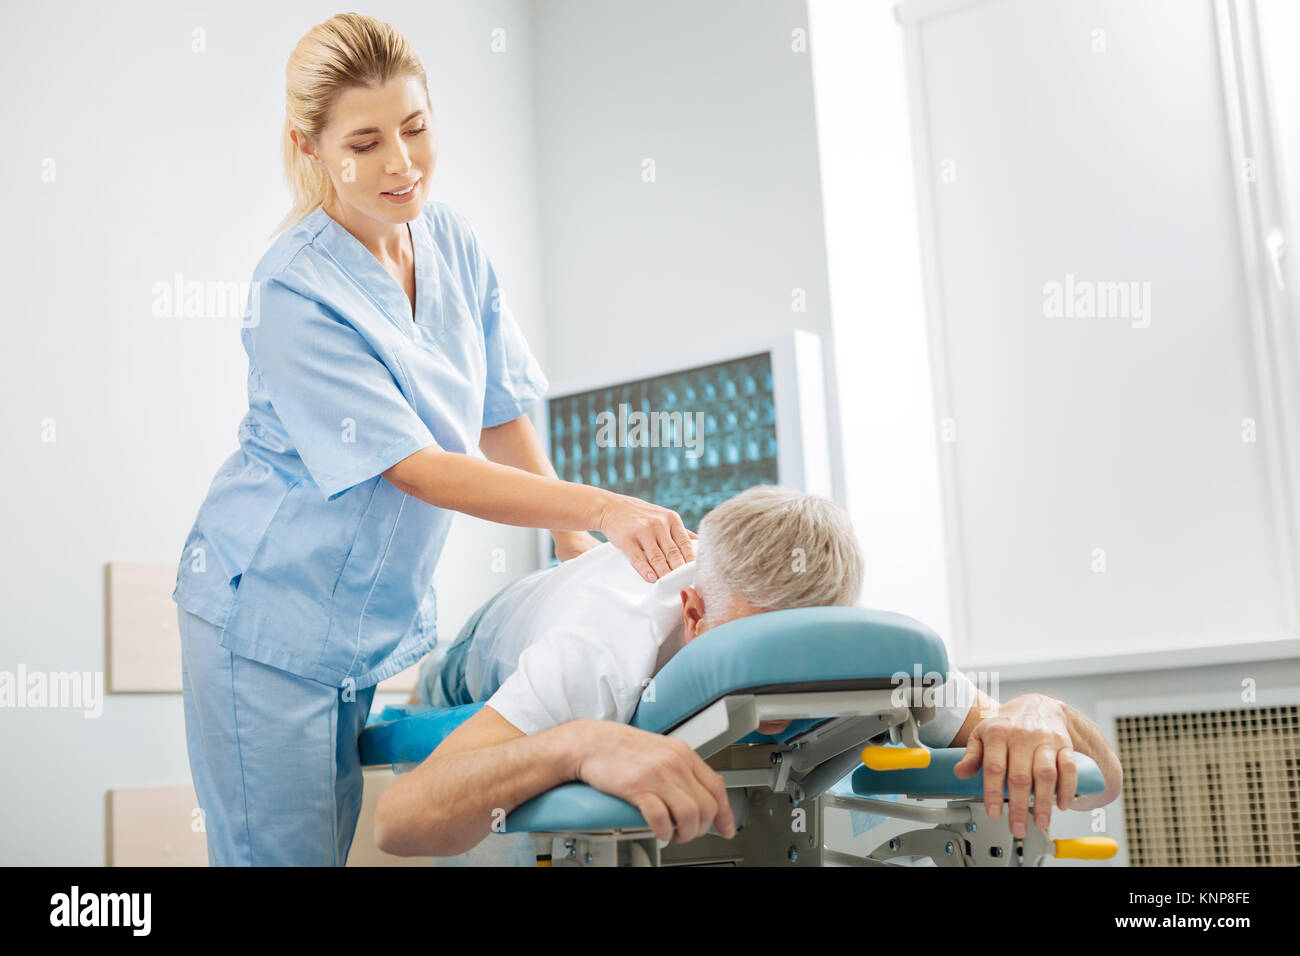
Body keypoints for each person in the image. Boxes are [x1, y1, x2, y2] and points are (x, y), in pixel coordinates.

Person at [171, 13, 693, 866]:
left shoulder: (450, 242)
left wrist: (570, 540)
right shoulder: (295, 289)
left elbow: (498, 409)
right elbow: (416, 467)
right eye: (366, 142)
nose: (402, 164)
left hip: (360, 628)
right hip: (264, 618)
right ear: (309, 148)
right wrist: (603, 506)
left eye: (415, 129)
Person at [374, 486, 1124, 858]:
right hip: (498, 632)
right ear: (694, 614)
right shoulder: (599, 649)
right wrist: (574, 743)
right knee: (438, 691)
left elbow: (1104, 783)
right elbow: (402, 822)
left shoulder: (873, 651)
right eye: (756, 653)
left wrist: (1040, 712)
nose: (783, 698)